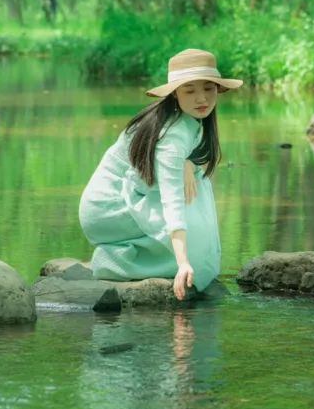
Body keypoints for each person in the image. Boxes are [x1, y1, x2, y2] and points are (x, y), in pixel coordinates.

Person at [79, 49, 242, 300]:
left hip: (125, 197)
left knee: (198, 187)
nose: (202, 99)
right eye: (190, 90)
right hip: (107, 209)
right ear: (175, 93)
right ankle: (116, 260)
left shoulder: (180, 120)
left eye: (208, 89)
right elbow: (171, 202)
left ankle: (146, 253)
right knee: (196, 244)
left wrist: (189, 163)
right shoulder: (173, 136)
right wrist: (184, 263)